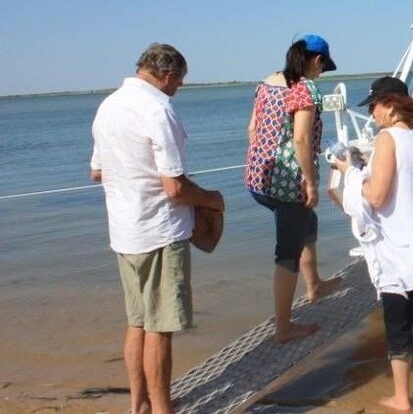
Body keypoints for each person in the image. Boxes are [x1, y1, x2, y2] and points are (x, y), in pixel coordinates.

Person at [90, 43, 226, 414]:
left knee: (137, 322)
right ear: (167, 75)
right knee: (160, 328)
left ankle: (139, 404)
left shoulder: (109, 106)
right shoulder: (157, 108)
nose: (178, 88)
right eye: (179, 82)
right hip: (159, 231)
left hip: (124, 231)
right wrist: (212, 199)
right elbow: (175, 188)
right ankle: (164, 409)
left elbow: (98, 171)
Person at [332, 76, 413, 412]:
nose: (372, 114)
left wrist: (351, 173)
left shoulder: (389, 138)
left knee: (398, 325)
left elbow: (378, 195)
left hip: (398, 251)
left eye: (373, 107)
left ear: (389, 103)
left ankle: (402, 397)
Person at [245, 34, 341, 344]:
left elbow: (252, 129)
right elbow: (301, 138)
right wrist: (310, 181)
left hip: (258, 177)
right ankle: (283, 329)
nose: (321, 74)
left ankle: (314, 285)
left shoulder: (267, 83)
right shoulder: (304, 88)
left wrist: (263, 160)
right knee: (287, 252)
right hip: (286, 182)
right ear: (316, 60)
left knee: (307, 224)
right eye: (323, 68)